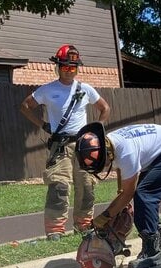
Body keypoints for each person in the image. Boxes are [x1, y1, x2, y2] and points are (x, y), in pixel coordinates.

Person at [20, 44, 111, 239]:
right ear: (58, 67)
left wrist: (97, 132)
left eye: (73, 68)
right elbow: (26, 106)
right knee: (59, 186)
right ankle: (54, 230)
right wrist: (43, 125)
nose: (69, 71)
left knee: (87, 185)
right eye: (66, 67)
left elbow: (105, 108)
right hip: (60, 146)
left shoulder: (85, 89)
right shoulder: (48, 89)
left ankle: (84, 226)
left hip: (84, 145)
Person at [74, 122, 161, 268]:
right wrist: (118, 204)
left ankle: (152, 252)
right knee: (144, 196)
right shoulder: (111, 144)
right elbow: (123, 183)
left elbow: (128, 193)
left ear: (107, 153)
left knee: (144, 194)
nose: (103, 169)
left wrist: (105, 217)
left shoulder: (126, 153)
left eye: (103, 165)